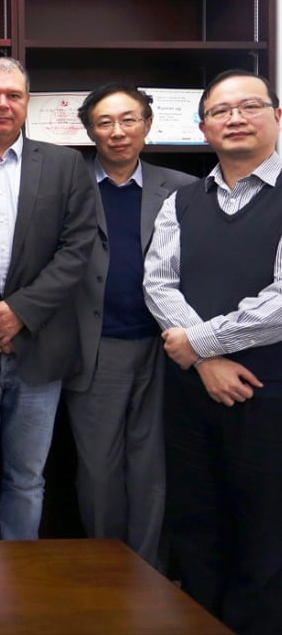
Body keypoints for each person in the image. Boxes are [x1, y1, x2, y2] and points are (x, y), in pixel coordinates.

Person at [143, 69, 282, 634]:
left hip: (271, 391)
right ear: (203, 128)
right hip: (192, 394)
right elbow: (158, 283)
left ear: (277, 116)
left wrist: (200, 342)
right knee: (197, 520)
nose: (235, 118)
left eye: (249, 106)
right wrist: (205, 362)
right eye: (221, 111)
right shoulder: (181, 200)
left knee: (266, 525)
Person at [0, 57, 97, 540]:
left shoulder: (65, 165)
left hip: (40, 346)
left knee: (28, 477)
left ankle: (19, 584)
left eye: (13, 95)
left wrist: (19, 313)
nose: (3, 104)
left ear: (28, 102)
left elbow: (77, 250)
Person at [63, 84, 196, 569]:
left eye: (128, 120)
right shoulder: (68, 182)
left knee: (152, 467)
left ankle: (149, 574)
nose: (117, 132)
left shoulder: (181, 188)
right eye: (105, 122)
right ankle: (106, 571)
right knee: (98, 469)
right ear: (89, 130)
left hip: (166, 348)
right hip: (96, 347)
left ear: (147, 124)